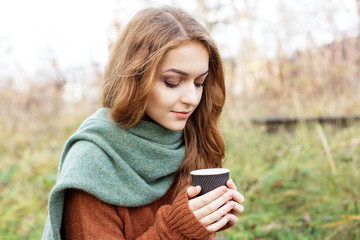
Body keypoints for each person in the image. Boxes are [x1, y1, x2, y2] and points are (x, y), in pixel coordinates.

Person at [42, 5, 245, 240]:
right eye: (172, 82)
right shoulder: (93, 163)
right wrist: (180, 229)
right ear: (135, 78)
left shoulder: (191, 140)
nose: (191, 99)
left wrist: (209, 218)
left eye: (199, 82)